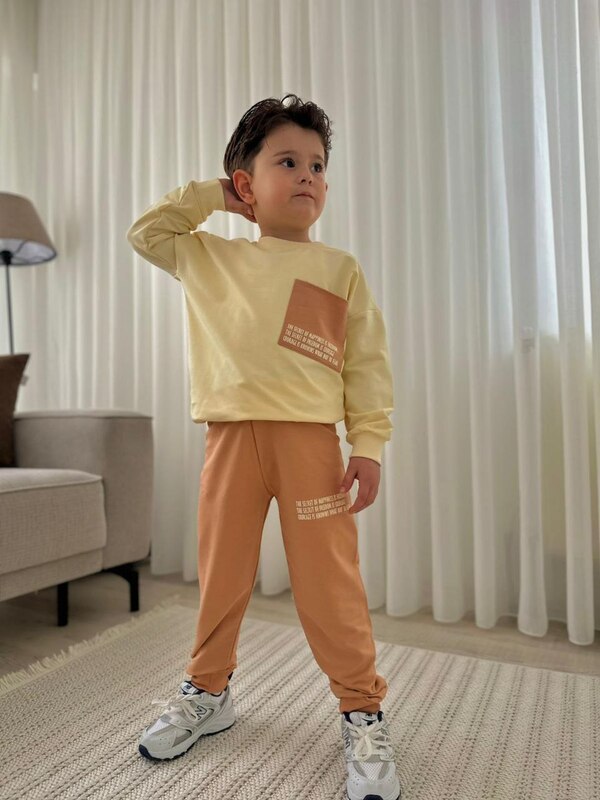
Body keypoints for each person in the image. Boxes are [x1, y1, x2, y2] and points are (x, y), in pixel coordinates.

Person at [126, 93, 401, 800]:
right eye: (288, 162)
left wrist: (368, 443)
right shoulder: (209, 258)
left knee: (329, 582)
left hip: (311, 447)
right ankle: (208, 690)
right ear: (247, 183)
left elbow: (366, 365)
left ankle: (361, 708)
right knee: (222, 573)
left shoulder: (339, 269)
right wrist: (216, 195)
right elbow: (146, 232)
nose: (308, 175)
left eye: (318, 165)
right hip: (230, 441)